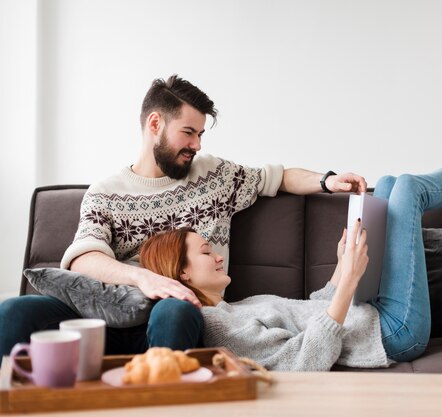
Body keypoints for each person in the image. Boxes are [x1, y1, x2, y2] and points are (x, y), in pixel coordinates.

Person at [0, 75, 367, 356]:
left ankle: (163, 398)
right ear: (155, 124)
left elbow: (279, 176)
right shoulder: (105, 193)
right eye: (188, 132)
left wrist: (326, 180)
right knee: (15, 312)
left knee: (174, 311)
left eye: (200, 134)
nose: (197, 145)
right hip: (109, 316)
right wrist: (143, 279)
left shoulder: (213, 175)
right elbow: (83, 258)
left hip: (181, 315)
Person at [137, 132, 442, 370]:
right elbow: (306, 361)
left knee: (389, 185)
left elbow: (313, 311)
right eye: (205, 253)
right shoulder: (221, 329)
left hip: (373, 312)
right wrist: (348, 284)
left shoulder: (235, 308)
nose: (218, 255)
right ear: (181, 273)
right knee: (407, 187)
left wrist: (341, 268)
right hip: (395, 334)